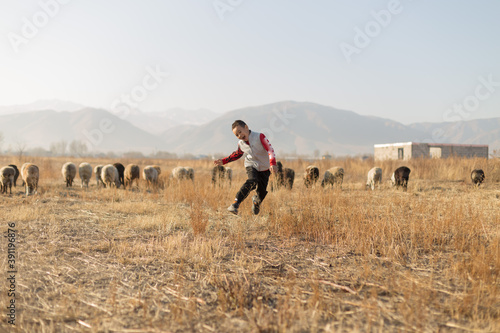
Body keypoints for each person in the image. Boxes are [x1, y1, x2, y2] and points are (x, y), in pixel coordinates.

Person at [214, 120, 277, 215]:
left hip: (265, 167)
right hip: (251, 164)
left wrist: (272, 163)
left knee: (262, 192)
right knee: (252, 181)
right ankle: (235, 203)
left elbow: (270, 149)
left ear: (246, 127)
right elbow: (237, 154)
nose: (239, 136)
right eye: (236, 135)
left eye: (240, 132)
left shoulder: (260, 136)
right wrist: (224, 161)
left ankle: (256, 202)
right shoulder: (241, 144)